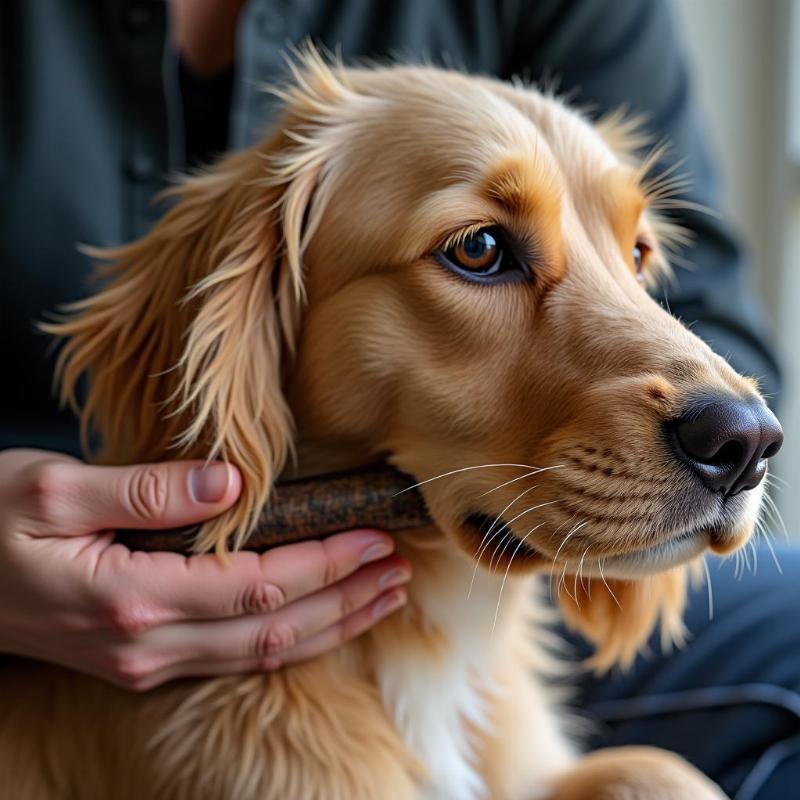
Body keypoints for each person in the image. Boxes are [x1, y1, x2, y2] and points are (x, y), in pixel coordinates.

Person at [0, 1, 796, 797]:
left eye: (633, 255)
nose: (737, 426)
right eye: (479, 249)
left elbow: (712, 310)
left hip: (494, 613)